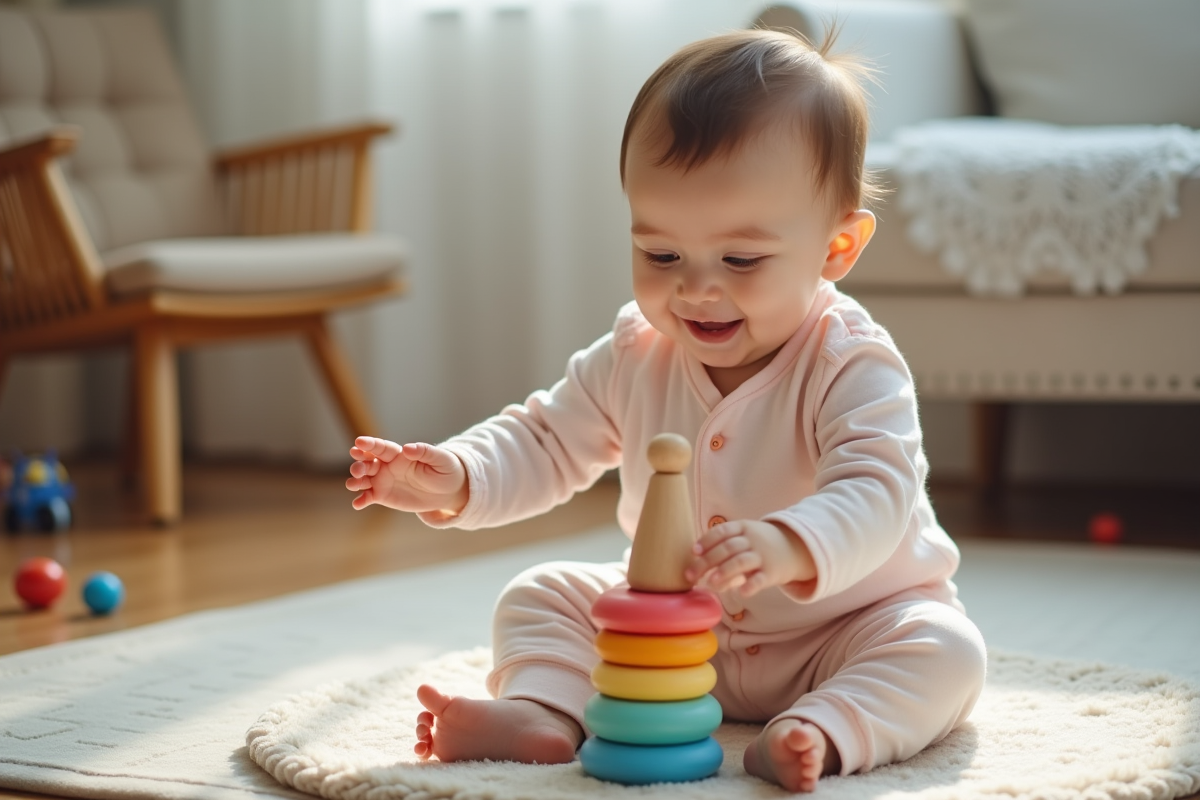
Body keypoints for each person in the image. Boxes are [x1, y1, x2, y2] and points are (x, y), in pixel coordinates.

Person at [345, 27, 986, 793]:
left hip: (842, 631)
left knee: (947, 651)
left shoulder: (851, 362)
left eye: (741, 260)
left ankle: (824, 727)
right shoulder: (638, 349)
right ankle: (546, 711)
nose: (696, 289)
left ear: (837, 248)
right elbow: (549, 437)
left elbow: (878, 491)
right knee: (542, 592)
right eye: (661, 255)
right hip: (677, 642)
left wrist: (788, 545)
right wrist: (458, 475)